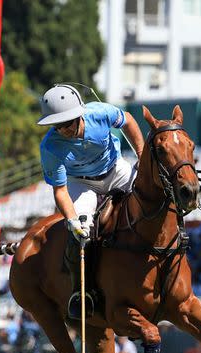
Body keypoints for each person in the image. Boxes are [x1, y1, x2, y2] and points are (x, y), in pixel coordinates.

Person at [37, 84, 145, 319]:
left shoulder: (99, 113)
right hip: (81, 184)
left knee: (149, 198)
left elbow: (127, 120)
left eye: (67, 123)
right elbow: (60, 190)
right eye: (57, 125)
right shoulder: (50, 147)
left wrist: (141, 153)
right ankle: (81, 292)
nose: (63, 130)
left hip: (115, 170)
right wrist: (73, 220)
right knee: (79, 233)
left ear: (79, 115)